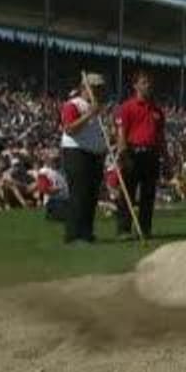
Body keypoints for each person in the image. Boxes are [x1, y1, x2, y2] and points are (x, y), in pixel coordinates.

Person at [115, 71, 165, 239]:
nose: (148, 85)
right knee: (127, 193)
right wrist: (123, 154)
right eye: (144, 82)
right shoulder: (127, 107)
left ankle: (145, 228)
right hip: (133, 153)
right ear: (135, 85)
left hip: (152, 155)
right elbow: (121, 133)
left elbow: (160, 136)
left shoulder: (157, 110)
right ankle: (124, 230)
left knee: (148, 194)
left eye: (149, 82)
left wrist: (166, 157)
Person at [60, 72, 108, 243]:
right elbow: (69, 129)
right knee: (79, 194)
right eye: (94, 88)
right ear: (84, 88)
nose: (98, 91)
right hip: (77, 152)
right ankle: (73, 235)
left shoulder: (96, 106)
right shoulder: (73, 105)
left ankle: (86, 232)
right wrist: (90, 114)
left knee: (92, 195)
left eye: (100, 88)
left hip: (95, 155)